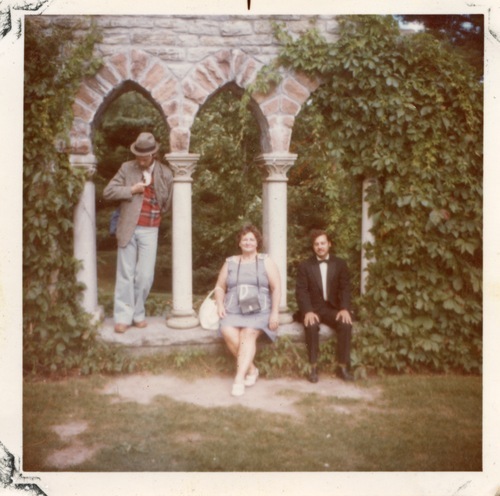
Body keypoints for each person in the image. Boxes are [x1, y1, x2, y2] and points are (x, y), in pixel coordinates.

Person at [103, 132, 173, 334]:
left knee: (145, 276)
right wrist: (131, 189)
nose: (141, 160)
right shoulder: (127, 168)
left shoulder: (165, 173)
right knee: (125, 274)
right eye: (138, 156)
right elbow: (108, 192)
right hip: (128, 228)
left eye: (145, 157)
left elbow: (168, 203)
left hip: (150, 229)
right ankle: (124, 317)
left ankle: (137, 311)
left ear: (153, 154)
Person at [214, 224, 281, 396]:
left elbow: (277, 288)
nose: (248, 242)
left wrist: (274, 313)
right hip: (234, 308)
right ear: (240, 243)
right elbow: (220, 287)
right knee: (226, 330)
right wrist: (220, 304)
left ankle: (238, 378)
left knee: (248, 333)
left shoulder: (266, 261)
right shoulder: (230, 262)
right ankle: (251, 369)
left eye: (251, 239)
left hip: (260, 309)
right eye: (245, 239)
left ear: (257, 242)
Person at [295, 229, 354, 382]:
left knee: (345, 323)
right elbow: (301, 291)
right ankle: (313, 368)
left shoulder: (340, 264)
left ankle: (342, 367)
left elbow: (345, 288)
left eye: (323, 243)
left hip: (332, 308)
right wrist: (307, 311)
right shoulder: (305, 266)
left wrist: (344, 308)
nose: (320, 247)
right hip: (313, 309)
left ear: (329, 244)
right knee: (311, 325)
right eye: (316, 244)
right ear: (313, 247)